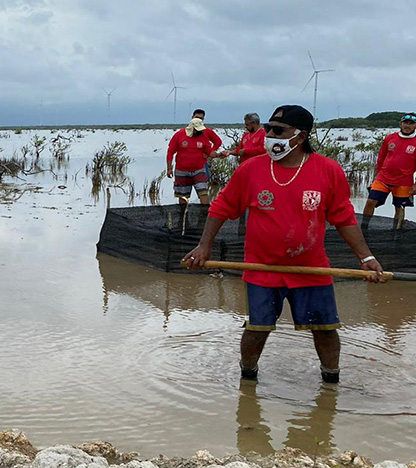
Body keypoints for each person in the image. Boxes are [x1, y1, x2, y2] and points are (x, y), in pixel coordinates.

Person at [183, 105, 383, 384]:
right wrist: (204, 246)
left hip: (311, 268)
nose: (269, 136)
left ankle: (331, 385)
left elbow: (344, 218)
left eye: (278, 131)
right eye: (268, 129)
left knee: (325, 329)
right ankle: (248, 382)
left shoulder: (328, 170)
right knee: (257, 328)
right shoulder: (251, 169)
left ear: (300, 137)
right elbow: (221, 207)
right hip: (262, 267)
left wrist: (366, 258)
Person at [361, 112, 416, 230]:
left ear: (415, 126)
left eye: (411, 123)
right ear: (400, 124)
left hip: (404, 181)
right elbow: (381, 157)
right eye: (406, 123)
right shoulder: (390, 138)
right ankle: (363, 228)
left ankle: (396, 232)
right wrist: (378, 174)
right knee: (371, 201)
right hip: (383, 178)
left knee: (399, 207)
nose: (408, 126)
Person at [166, 117, 214, 204]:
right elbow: (170, 152)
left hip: (199, 169)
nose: (200, 132)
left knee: (203, 193)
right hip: (182, 171)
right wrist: (169, 168)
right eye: (197, 130)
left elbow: (209, 151)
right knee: (183, 196)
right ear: (192, 129)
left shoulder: (203, 137)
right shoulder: (179, 135)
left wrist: (219, 154)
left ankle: (204, 215)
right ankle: (183, 216)